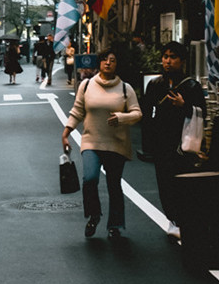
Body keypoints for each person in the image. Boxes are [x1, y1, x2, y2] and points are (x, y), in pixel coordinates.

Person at [62, 47, 142, 239]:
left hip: (116, 144)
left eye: (112, 60)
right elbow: (78, 110)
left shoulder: (125, 88)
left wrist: (122, 117)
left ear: (117, 64)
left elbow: (137, 113)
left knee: (114, 184)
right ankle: (94, 215)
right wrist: (66, 132)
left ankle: (114, 226)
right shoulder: (87, 85)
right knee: (90, 179)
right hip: (91, 141)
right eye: (104, 59)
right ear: (99, 63)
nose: (108, 63)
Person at [140, 40, 206, 240]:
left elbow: (203, 113)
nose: (168, 61)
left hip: (183, 143)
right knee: (165, 183)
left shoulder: (192, 86)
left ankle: (184, 219)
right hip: (162, 143)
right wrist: (148, 144)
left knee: (182, 183)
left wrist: (184, 105)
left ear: (182, 61)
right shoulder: (155, 85)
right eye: (165, 57)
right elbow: (146, 113)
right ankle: (173, 219)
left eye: (173, 57)